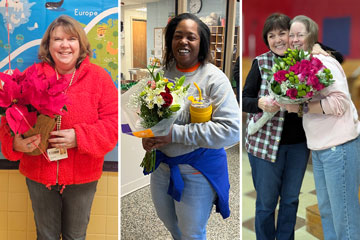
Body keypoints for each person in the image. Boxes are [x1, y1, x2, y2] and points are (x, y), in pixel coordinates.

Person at [0, 15, 118, 239]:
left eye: (71, 39)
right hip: (39, 174)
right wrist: (15, 143)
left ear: (81, 44)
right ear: (48, 45)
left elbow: (112, 126)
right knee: (46, 236)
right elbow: (9, 118)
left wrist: (79, 137)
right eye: (58, 39)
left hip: (83, 176)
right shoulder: (31, 75)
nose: (65, 45)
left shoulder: (100, 79)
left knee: (76, 236)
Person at [242, 13, 343, 240]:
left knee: (290, 200)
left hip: (298, 145)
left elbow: (341, 58)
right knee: (267, 204)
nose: (278, 39)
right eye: (271, 35)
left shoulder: (306, 60)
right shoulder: (260, 63)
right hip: (264, 146)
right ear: (266, 39)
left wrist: (316, 45)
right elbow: (245, 98)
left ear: (293, 35)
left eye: (283, 33)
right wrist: (259, 103)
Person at [142, 13, 239, 239]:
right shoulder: (160, 74)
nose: (183, 42)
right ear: (170, 41)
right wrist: (148, 136)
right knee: (168, 220)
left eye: (191, 37)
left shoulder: (214, 79)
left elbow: (231, 130)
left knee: (192, 232)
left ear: (201, 43)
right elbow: (149, 117)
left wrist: (174, 134)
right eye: (178, 36)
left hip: (196, 169)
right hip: (161, 166)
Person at [284, 15, 360, 240]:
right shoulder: (300, 64)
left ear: (312, 37)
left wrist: (303, 107)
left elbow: (340, 102)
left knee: (344, 216)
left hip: (339, 147)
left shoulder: (324, 62)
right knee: (327, 212)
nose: (295, 39)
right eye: (292, 34)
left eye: (301, 34)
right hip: (319, 148)